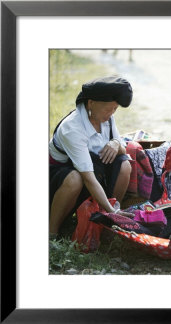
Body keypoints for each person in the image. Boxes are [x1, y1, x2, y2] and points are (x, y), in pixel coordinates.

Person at [49, 76, 134, 237]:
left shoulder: (106, 118)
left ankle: (108, 222)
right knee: (75, 178)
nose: (111, 113)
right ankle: (52, 231)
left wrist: (116, 143)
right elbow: (88, 178)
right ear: (90, 103)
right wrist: (111, 211)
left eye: (114, 109)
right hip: (58, 178)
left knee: (124, 165)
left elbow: (123, 149)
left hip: (94, 170)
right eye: (107, 109)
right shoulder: (72, 128)